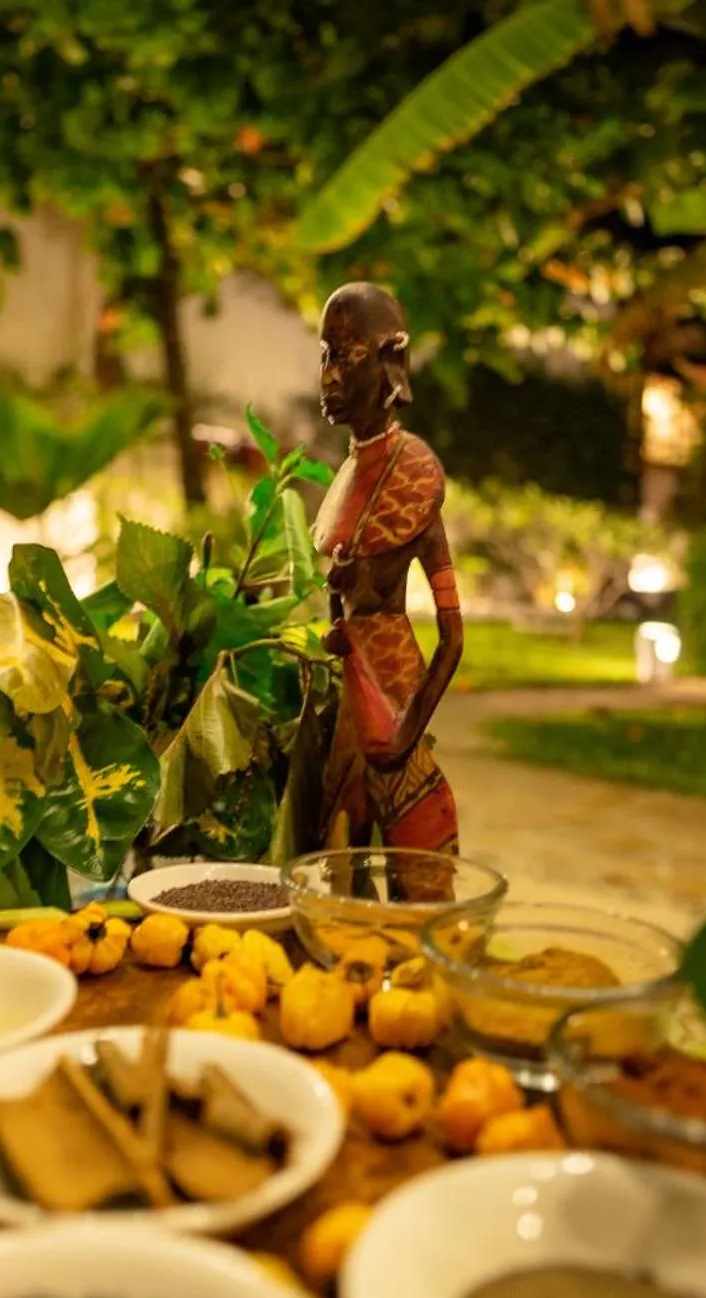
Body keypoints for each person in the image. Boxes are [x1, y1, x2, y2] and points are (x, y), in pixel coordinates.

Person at [311, 282, 464, 890]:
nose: (327, 377)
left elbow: (453, 637)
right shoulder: (349, 474)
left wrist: (405, 735)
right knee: (341, 873)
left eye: (345, 357)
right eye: (324, 354)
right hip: (353, 709)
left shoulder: (412, 476)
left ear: (390, 363)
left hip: (393, 697)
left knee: (422, 878)